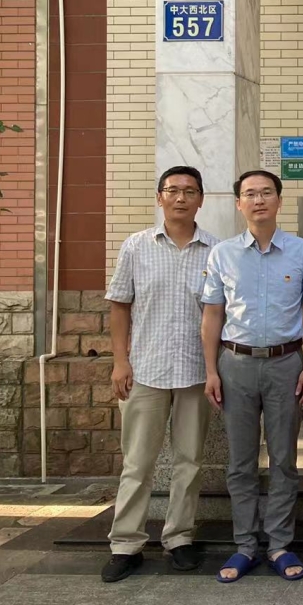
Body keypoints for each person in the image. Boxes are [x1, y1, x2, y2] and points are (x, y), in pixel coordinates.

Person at [201, 170, 303, 583]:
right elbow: (212, 314)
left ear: (279, 200)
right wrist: (210, 370)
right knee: (240, 461)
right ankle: (245, 546)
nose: (258, 200)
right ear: (239, 203)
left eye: (266, 193)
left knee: (284, 459)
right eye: (250, 194)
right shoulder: (222, 254)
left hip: (286, 363)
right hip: (234, 363)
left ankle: (280, 544)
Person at [100, 167, 219, 582]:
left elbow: (219, 315)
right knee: (137, 462)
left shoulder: (216, 251)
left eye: (189, 191)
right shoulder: (136, 246)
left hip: (195, 372)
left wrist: (214, 369)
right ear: (160, 197)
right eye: (173, 190)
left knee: (189, 462)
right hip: (145, 371)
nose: (180, 198)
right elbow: (119, 305)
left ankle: (179, 538)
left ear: (201, 200)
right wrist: (120, 361)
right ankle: (126, 543)